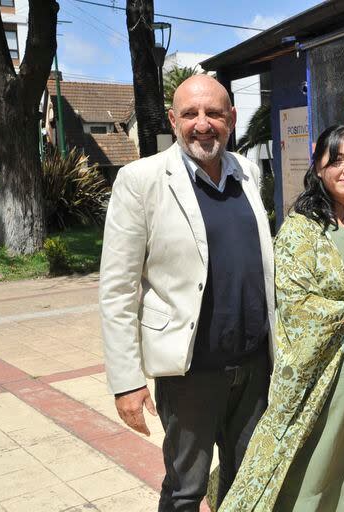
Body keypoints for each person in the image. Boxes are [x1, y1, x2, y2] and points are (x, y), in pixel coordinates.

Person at [99, 75, 275, 511]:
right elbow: (118, 290)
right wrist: (127, 382)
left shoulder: (248, 174)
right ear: (174, 120)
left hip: (254, 369)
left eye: (214, 113)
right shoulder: (141, 180)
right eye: (191, 114)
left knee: (249, 486)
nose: (203, 124)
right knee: (184, 490)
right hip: (190, 373)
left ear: (231, 119)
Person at [220, 125, 344, 511]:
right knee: (321, 462)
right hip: (329, 377)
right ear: (318, 169)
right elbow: (297, 308)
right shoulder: (303, 230)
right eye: (336, 160)